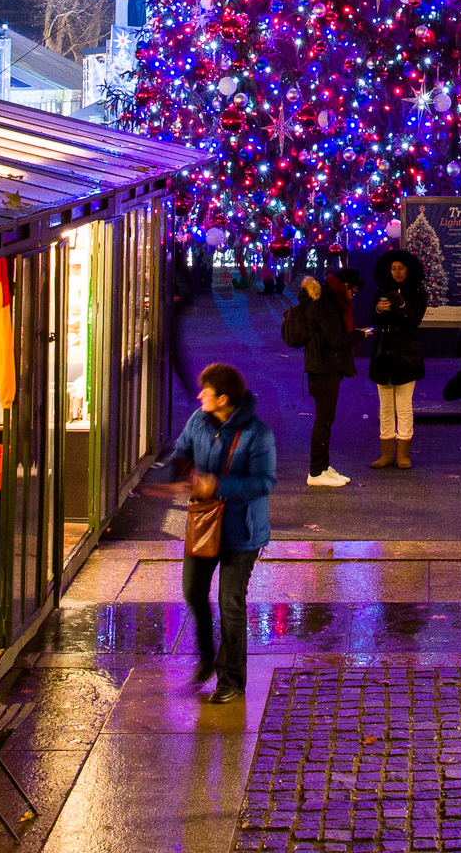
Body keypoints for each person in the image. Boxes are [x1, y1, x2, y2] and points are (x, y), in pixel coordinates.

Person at [165, 362, 275, 705]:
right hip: (204, 526)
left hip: (241, 532)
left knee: (230, 603)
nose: (199, 396)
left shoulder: (258, 434)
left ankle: (231, 680)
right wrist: (180, 470)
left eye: (207, 392)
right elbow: (181, 450)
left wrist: (218, 486)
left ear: (224, 398)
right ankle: (207, 657)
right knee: (193, 590)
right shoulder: (198, 421)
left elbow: (263, 482)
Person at [289, 264, 359, 488]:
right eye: (353, 291)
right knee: (323, 420)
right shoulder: (327, 302)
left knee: (324, 419)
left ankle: (322, 467)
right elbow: (336, 341)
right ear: (345, 285)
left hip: (319, 365)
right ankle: (317, 472)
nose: (352, 296)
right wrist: (359, 336)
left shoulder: (321, 297)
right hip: (324, 367)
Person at [367, 246, 429, 470]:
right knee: (385, 406)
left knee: (403, 406)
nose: (397, 272)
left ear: (409, 269)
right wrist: (379, 309)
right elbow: (374, 320)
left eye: (401, 268)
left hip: (405, 352)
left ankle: (403, 454)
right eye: (393, 268)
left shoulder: (418, 293)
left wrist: (401, 306)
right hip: (383, 352)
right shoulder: (382, 291)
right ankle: (386, 455)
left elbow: (414, 321)